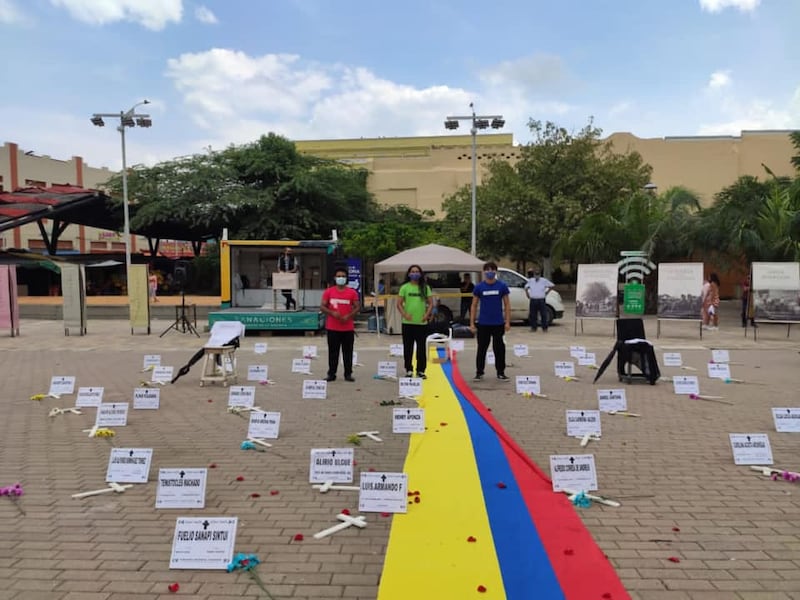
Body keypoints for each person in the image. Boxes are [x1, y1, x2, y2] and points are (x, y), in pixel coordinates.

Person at [469, 261, 511, 381]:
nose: (490, 272)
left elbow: (507, 304)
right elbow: (473, 305)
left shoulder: (502, 286)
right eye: (487, 270)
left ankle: (501, 372)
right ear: (484, 272)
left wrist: (507, 322)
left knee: (499, 349)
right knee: (482, 348)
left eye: (492, 270)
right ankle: (479, 372)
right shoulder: (479, 287)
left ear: (495, 271)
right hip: (483, 323)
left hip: (498, 323)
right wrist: (472, 323)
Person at [320, 267, 360, 382]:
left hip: (347, 328)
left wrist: (349, 316)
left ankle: (348, 374)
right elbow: (322, 307)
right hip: (332, 327)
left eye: (343, 276)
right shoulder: (329, 291)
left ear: (346, 278)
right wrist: (331, 312)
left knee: (348, 352)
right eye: (338, 276)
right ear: (334, 278)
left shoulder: (352, 292)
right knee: (333, 352)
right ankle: (331, 374)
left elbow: (357, 307)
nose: (340, 278)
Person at [396, 265, 434, 379]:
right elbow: (398, 304)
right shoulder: (404, 287)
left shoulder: (425, 287)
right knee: (408, 348)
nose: (415, 273)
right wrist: (404, 314)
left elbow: (431, 303)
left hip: (421, 323)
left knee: (421, 348)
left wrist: (427, 315)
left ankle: (421, 370)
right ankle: (408, 369)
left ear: (421, 274)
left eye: (417, 272)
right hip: (407, 323)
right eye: (413, 272)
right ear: (409, 274)